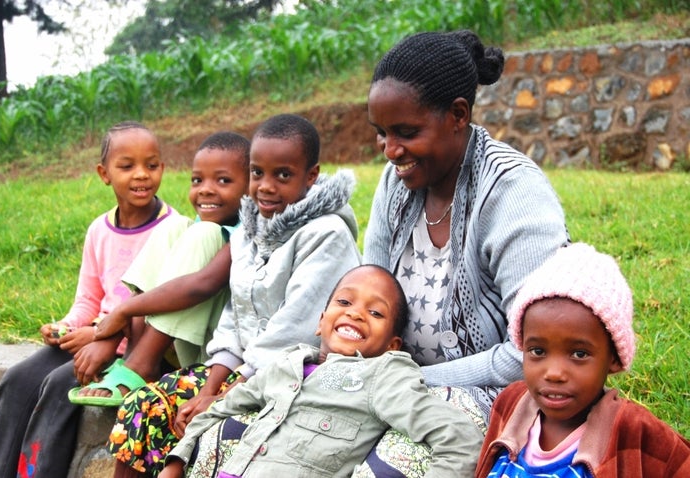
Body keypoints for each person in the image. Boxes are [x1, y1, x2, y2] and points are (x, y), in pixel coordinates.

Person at [100, 113, 362, 477]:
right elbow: (235, 317)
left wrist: (224, 397)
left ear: (311, 176)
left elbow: (295, 332)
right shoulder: (249, 230)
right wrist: (208, 389)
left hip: (297, 379)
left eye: (282, 175)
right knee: (145, 406)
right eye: (257, 173)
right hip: (240, 374)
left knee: (213, 429)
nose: (266, 187)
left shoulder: (326, 234)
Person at [359, 30, 570, 475]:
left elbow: (533, 353)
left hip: (494, 397)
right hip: (394, 387)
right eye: (381, 134)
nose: (391, 151)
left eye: (406, 132)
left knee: (379, 470)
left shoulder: (513, 193)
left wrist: (413, 381)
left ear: (458, 115)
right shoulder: (395, 183)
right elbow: (369, 295)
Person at [0, 121, 186, 478]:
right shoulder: (99, 231)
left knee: (60, 384)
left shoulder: (174, 229)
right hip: (92, 336)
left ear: (163, 168)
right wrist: (65, 326)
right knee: (17, 379)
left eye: (151, 165)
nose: (142, 175)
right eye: (127, 166)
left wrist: (103, 336)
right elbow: (89, 300)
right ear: (104, 174)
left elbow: (162, 309)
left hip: (134, 350)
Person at [158, 264, 484, 478]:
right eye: (344, 302)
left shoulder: (382, 374)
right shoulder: (287, 365)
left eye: (374, 311)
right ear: (320, 321)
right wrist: (174, 464)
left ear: (392, 345)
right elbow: (221, 409)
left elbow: (460, 438)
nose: (356, 314)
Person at [475, 242, 690, 477]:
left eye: (579, 354)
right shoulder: (511, 404)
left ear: (614, 358)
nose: (554, 373)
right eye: (537, 351)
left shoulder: (633, 430)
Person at [68, 131, 250, 406]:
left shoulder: (247, 233)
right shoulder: (183, 228)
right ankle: (135, 354)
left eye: (223, 180)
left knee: (206, 233)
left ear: (251, 185)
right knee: (174, 226)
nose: (205, 190)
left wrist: (123, 309)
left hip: (217, 355)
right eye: (197, 180)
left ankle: (142, 364)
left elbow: (201, 284)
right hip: (178, 346)